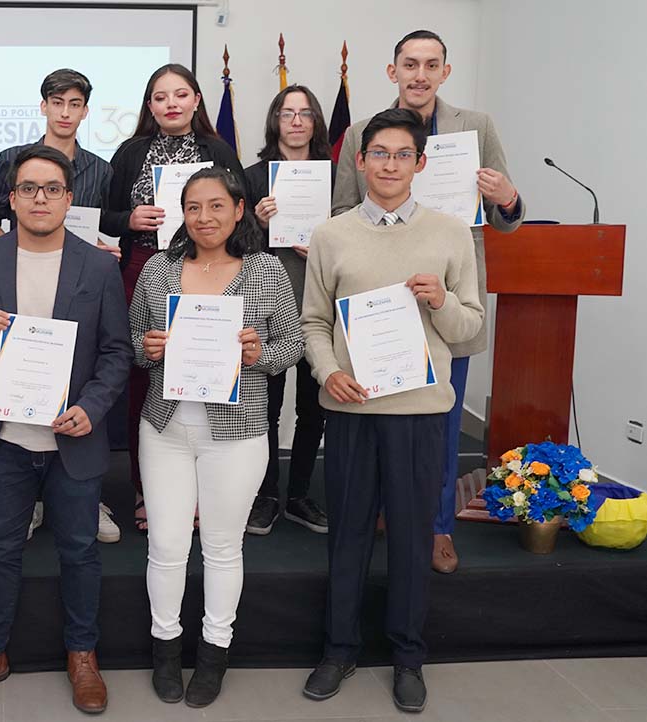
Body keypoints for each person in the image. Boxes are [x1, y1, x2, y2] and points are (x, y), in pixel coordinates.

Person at [0, 145, 132, 714]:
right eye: (28, 188)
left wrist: (92, 408)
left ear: (70, 198)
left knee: (78, 551)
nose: (40, 198)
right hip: (5, 439)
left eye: (51, 188)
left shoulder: (99, 265)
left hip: (74, 436)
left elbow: (117, 352)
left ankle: (83, 655)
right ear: (12, 197)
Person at [301, 109, 484, 713]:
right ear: (360, 160)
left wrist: (440, 304)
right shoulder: (331, 235)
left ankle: (408, 656)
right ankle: (338, 648)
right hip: (352, 411)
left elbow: (471, 329)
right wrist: (328, 372)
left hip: (419, 413)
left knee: (410, 538)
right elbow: (314, 323)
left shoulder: (452, 232)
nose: (388, 164)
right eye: (378, 153)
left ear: (420, 163)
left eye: (401, 154)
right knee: (347, 535)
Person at [333, 30, 525, 573]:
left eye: (431, 65)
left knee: (441, 422)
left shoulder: (476, 128)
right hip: (378, 301)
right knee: (374, 416)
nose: (420, 74)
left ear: (445, 71)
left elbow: (507, 217)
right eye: (409, 64)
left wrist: (505, 198)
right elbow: (344, 208)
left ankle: (437, 526)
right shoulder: (359, 135)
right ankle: (382, 511)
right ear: (392, 71)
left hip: (446, 296)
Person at [131, 166, 303, 707]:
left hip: (237, 431)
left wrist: (259, 355)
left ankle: (213, 652)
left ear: (238, 210)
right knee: (166, 545)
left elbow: (292, 346)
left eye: (215, 206)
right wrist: (150, 347)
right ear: (182, 214)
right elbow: (135, 338)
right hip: (165, 428)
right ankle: (165, 648)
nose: (204, 217)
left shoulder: (266, 270)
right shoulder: (159, 269)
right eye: (193, 207)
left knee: (224, 546)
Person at [103, 63, 244, 534]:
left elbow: (239, 213)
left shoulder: (218, 150)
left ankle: (203, 489)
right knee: (146, 376)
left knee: (207, 370)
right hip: (144, 269)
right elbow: (105, 216)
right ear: (150, 106)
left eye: (180, 95)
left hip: (209, 268)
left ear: (197, 100)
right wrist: (129, 220)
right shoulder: (130, 151)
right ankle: (148, 489)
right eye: (160, 97)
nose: (171, 104)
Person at [0, 67, 121, 545]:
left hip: (82, 285)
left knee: (85, 373)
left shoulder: (102, 169)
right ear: (43, 106)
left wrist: (111, 245)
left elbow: (110, 223)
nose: (65, 112)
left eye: (75, 104)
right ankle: (30, 498)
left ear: (85, 111)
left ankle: (79, 495)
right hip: (22, 282)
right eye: (56, 102)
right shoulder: (9, 159)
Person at [243, 85, 334, 536]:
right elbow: (232, 244)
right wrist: (258, 224)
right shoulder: (252, 176)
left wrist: (328, 237)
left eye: (305, 113)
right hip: (268, 305)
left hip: (320, 302)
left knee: (313, 407)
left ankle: (298, 493)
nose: (296, 121)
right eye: (286, 113)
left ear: (316, 121)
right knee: (267, 405)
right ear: (275, 121)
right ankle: (264, 494)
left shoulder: (335, 176)